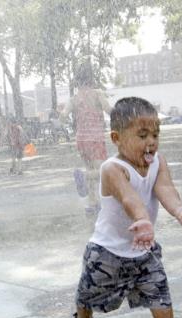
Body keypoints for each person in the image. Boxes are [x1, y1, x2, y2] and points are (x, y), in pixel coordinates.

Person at [72, 97, 182, 318]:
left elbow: (164, 187)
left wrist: (178, 210)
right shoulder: (112, 168)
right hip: (107, 251)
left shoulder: (157, 162)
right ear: (116, 138)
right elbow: (128, 196)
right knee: (90, 291)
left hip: (143, 247)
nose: (151, 142)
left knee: (158, 289)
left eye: (155, 134)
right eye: (142, 135)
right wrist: (142, 219)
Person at [59, 62, 112, 216]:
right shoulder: (97, 94)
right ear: (91, 79)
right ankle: (83, 177)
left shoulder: (74, 98)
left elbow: (63, 116)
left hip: (81, 139)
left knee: (91, 168)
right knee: (102, 170)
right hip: (95, 138)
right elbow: (108, 109)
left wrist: (60, 115)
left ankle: (93, 202)